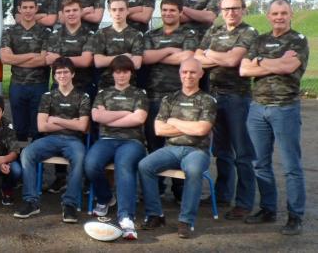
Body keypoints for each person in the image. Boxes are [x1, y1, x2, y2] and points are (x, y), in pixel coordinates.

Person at [239, 0, 308, 236]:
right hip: (257, 108)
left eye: (284, 13)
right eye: (275, 13)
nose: (279, 17)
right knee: (260, 163)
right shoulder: (259, 40)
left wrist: (260, 61)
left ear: (291, 15)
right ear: (268, 16)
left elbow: (288, 69)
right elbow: (244, 69)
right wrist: (273, 62)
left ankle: (295, 215)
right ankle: (268, 208)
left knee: (291, 166)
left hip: (285, 108)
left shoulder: (298, 40)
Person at [195, 0, 258, 219]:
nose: (231, 12)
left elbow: (234, 61)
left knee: (242, 152)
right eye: (227, 9)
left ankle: (244, 202)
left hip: (237, 98)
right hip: (214, 97)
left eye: (235, 8)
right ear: (221, 10)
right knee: (221, 151)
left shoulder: (249, 32)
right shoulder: (214, 31)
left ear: (243, 9)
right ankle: (223, 195)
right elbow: (197, 57)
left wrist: (211, 55)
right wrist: (221, 56)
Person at [139, 58, 217, 239]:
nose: (188, 76)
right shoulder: (169, 99)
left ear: (200, 74)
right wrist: (189, 125)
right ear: (180, 74)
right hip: (171, 148)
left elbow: (202, 129)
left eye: (192, 72)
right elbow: (159, 129)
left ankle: (186, 221)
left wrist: (173, 121)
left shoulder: (207, 100)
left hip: (197, 151)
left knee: (194, 169)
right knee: (145, 165)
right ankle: (155, 214)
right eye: (184, 72)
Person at [14, 57, 89, 223]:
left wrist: (55, 120)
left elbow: (83, 127)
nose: (62, 75)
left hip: (73, 141)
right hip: (50, 140)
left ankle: (69, 203)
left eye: (65, 72)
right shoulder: (47, 96)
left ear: (73, 74)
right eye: (58, 73)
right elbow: (42, 127)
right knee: (27, 153)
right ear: (54, 76)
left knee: (80, 157)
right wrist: (71, 123)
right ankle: (31, 201)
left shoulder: (82, 96)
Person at [84, 55, 148, 240]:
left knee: (124, 166)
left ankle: (126, 217)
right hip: (106, 139)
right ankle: (105, 198)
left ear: (131, 73)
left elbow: (139, 119)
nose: (121, 75)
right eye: (117, 72)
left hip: (132, 142)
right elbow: (96, 117)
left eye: (125, 71)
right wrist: (125, 113)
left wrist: (109, 116)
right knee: (91, 163)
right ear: (113, 74)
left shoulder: (139, 94)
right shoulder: (104, 93)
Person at [142, 0, 198, 200]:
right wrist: (169, 50)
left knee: (180, 143)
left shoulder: (188, 33)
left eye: (172, 10)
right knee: (154, 143)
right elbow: (146, 57)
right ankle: (156, 188)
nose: (167, 13)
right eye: (164, 9)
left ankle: (179, 189)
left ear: (181, 12)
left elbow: (189, 56)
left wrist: (159, 55)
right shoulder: (151, 34)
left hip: (180, 97)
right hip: (155, 96)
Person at [44, 0, 96, 193]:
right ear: (62, 14)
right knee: (57, 128)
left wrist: (60, 58)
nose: (71, 14)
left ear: (80, 11)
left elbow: (86, 61)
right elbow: (50, 60)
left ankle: (82, 178)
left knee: (82, 132)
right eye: (67, 11)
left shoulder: (89, 34)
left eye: (75, 10)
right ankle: (59, 177)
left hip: (83, 89)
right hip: (58, 89)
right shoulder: (55, 35)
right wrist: (70, 59)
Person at [0, 0, 49, 143]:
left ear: (36, 9)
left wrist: (17, 59)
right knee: (19, 129)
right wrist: (31, 55)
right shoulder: (10, 32)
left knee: (38, 129)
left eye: (31, 7)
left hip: (39, 85)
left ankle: (36, 164)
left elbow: (43, 60)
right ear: (19, 9)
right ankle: (20, 162)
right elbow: (5, 59)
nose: (28, 11)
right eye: (25, 7)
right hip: (18, 86)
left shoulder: (45, 32)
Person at [93, 0, 144, 90]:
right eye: (114, 9)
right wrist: (123, 57)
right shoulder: (101, 33)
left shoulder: (136, 35)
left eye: (121, 9)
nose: (117, 13)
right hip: (106, 87)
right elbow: (98, 62)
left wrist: (107, 60)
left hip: (129, 87)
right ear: (109, 12)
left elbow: (136, 64)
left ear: (127, 11)